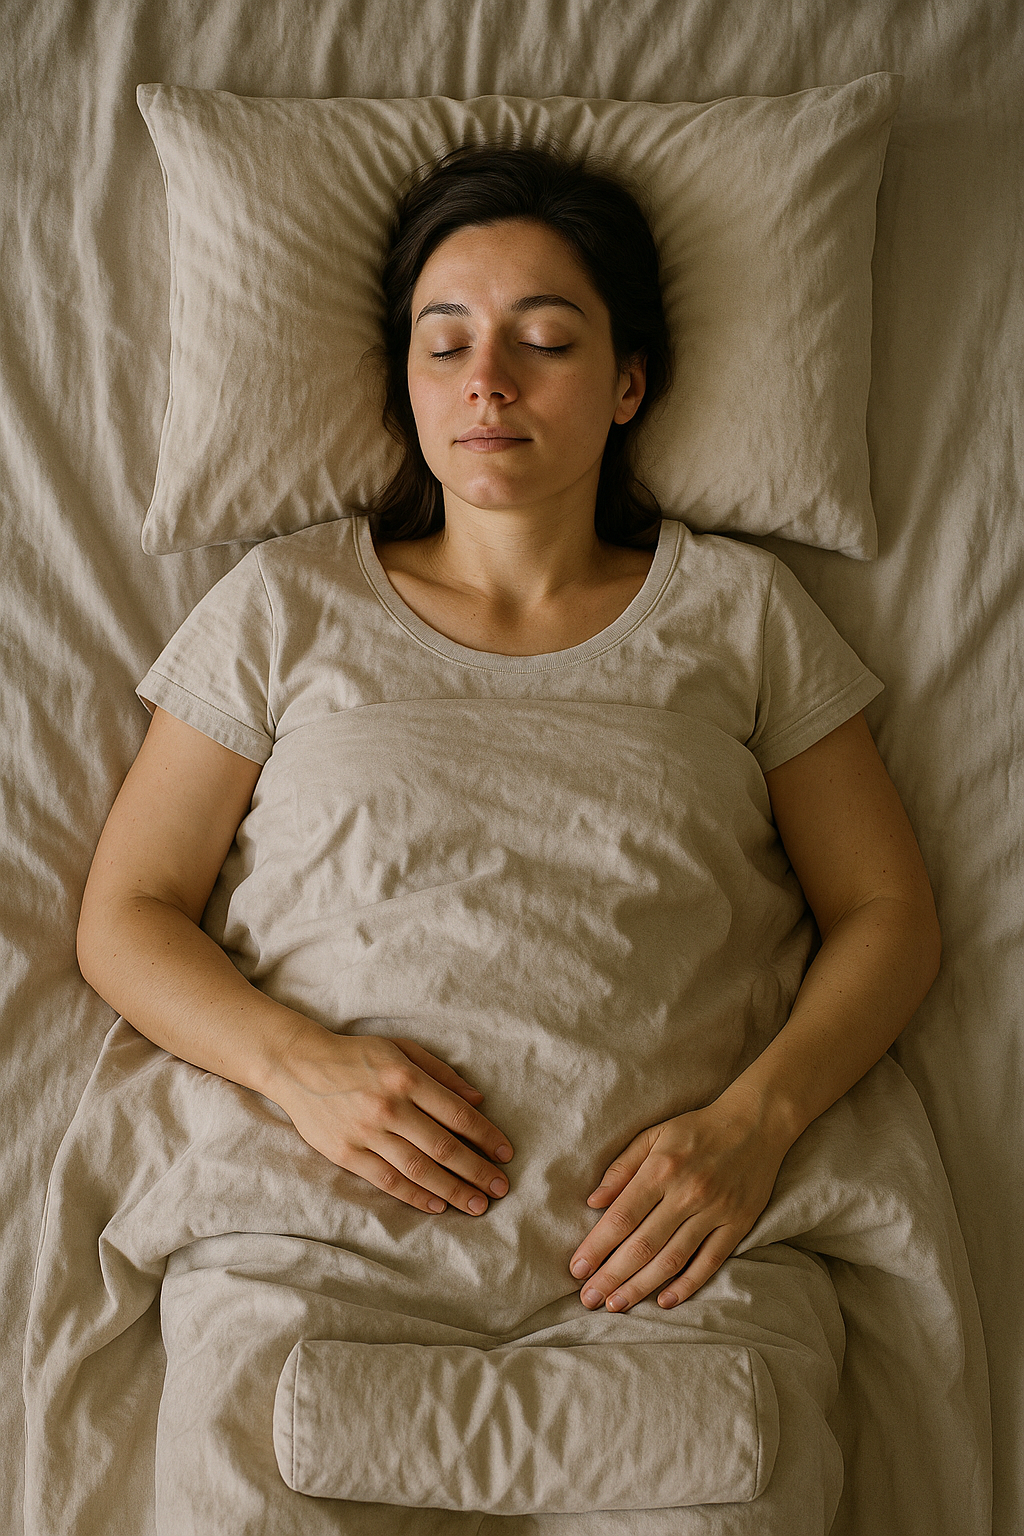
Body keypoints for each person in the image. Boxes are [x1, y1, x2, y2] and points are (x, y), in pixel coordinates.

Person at [76, 142, 941, 1323]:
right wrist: (297, 1067)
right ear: (408, 386)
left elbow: (887, 913)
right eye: (445, 343)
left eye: (544, 341)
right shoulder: (283, 602)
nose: (488, 379)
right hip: (307, 1247)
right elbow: (126, 916)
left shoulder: (740, 612)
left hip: (669, 1270)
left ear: (628, 383)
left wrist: (755, 1125)